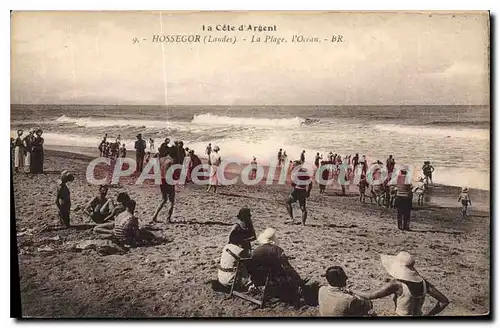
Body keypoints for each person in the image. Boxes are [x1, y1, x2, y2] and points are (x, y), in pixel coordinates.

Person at [354, 252, 449, 316]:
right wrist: (429, 315)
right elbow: (444, 301)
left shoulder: (397, 284)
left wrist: (352, 290)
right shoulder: (424, 283)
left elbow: (370, 295)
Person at [247, 228, 307, 306]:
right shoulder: (277, 250)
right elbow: (287, 268)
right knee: (288, 277)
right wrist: (298, 280)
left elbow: (250, 267)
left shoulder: (255, 252)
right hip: (274, 280)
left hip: (258, 280)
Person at [286, 160, 313, 225]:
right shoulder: (304, 172)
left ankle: (292, 219)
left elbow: (293, 184)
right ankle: (303, 223)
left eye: (294, 165)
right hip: (303, 190)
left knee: (288, 202)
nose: (293, 166)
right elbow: (310, 183)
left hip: (297, 190)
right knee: (302, 207)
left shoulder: (296, 173)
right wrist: (308, 192)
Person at [151, 156, 175, 223]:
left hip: (162, 180)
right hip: (168, 180)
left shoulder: (161, 159)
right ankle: (168, 218)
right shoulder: (171, 160)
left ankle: (154, 216)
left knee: (163, 199)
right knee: (171, 200)